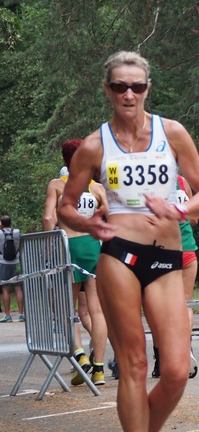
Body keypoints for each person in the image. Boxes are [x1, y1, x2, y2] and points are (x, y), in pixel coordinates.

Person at [58, 50, 199, 432]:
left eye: (137, 86)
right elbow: (66, 205)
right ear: (107, 90)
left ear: (148, 88)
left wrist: (179, 209)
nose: (129, 94)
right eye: (119, 86)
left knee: (177, 369)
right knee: (132, 364)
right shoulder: (94, 146)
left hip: (166, 255)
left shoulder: (174, 133)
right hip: (118, 256)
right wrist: (88, 223)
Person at [43, 139, 110, 386]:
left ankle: (80, 356)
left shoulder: (58, 185)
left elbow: (49, 217)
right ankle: (100, 369)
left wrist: (48, 242)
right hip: (93, 249)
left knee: (67, 309)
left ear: (64, 160)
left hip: (67, 248)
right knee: (97, 310)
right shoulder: (97, 188)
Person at [152, 174, 199, 379]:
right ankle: (184, 351)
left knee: (159, 309)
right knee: (185, 304)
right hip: (188, 249)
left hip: (162, 251)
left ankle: (161, 360)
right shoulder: (182, 181)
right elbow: (194, 217)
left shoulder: (148, 182)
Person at [1, 215, 23, 322]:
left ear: (1, 223)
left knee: (5, 288)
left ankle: (8, 315)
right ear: (11, 222)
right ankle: (21, 314)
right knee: (18, 287)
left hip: (3, 263)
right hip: (16, 262)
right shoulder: (17, 232)